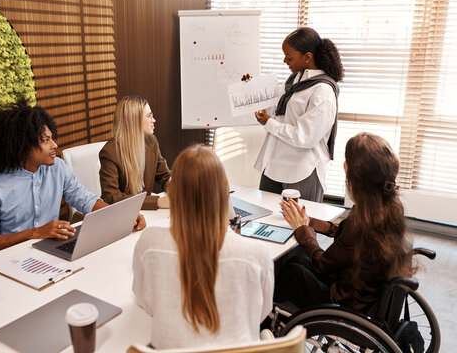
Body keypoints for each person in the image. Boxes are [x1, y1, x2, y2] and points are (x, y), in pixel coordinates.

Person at [132, 145, 274, 349]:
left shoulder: (149, 243)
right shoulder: (258, 255)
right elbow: (261, 312)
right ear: (225, 192)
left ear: (174, 196)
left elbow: (145, 302)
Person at [0, 99, 146, 255]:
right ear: (22, 146)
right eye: (45, 140)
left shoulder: (57, 168)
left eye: (52, 138)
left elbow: (85, 199)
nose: (55, 145)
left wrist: (121, 216)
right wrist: (35, 232)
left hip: (49, 253)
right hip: (8, 261)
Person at [275, 132, 415, 316]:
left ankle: (271, 324)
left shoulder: (360, 222)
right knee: (298, 262)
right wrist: (310, 222)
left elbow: (323, 266)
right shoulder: (389, 207)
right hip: (370, 295)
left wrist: (302, 231)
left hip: (347, 305)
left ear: (352, 174)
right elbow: (348, 238)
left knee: (291, 268)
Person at [254, 27, 344, 202]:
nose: (285, 61)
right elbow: (281, 112)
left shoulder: (322, 91)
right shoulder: (294, 80)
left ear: (308, 57)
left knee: (301, 226)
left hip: (302, 170)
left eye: (289, 57)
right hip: (273, 165)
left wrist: (269, 123)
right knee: (265, 222)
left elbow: (306, 137)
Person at [99, 96, 171, 210]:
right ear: (134, 120)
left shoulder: (151, 141)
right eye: (149, 116)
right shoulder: (110, 152)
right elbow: (111, 197)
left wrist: (174, 189)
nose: (154, 120)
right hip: (122, 214)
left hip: (145, 214)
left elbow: (165, 176)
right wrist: (156, 202)